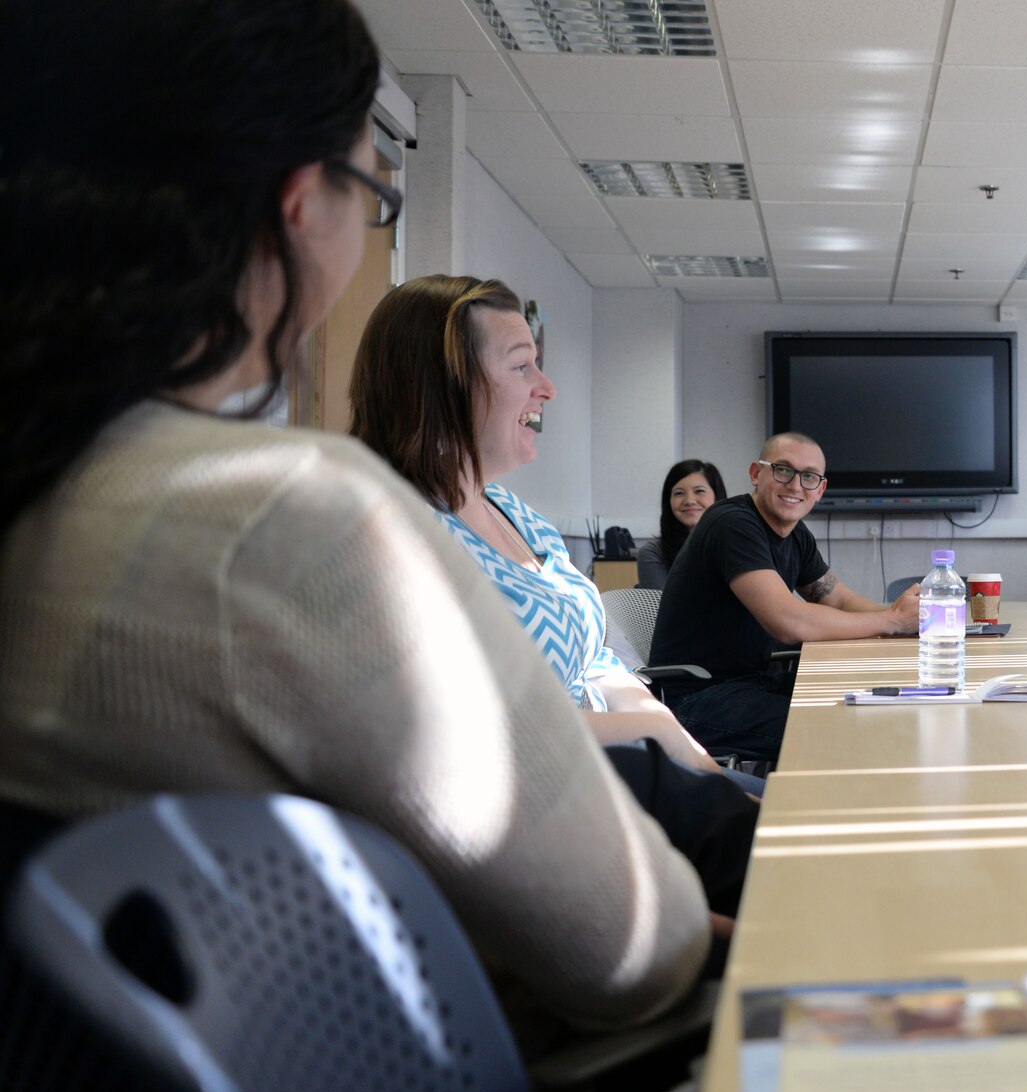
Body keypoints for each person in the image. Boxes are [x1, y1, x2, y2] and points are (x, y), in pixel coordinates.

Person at [0, 0, 710, 1031]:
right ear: (301, 205)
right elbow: (635, 944)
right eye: (375, 191)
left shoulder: (55, 482)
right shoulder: (285, 518)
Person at [349, 274, 765, 798]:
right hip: (559, 795)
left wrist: (690, 759)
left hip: (637, 763)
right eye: (522, 366)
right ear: (441, 386)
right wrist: (656, 735)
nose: (546, 388)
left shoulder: (513, 511)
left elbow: (600, 664)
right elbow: (465, 732)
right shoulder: (397, 536)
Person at [649, 433, 920, 760]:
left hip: (752, 683)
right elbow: (788, 622)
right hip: (698, 698)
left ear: (820, 490)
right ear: (755, 473)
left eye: (809, 476)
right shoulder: (731, 524)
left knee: (875, 703)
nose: (795, 485)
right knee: (847, 728)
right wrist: (891, 620)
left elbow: (836, 598)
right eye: (782, 470)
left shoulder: (795, 534)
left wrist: (905, 617)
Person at [637, 459, 726, 589]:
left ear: (716, 496)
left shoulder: (736, 544)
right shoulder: (653, 552)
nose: (689, 501)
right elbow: (658, 608)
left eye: (699, 491)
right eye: (679, 493)